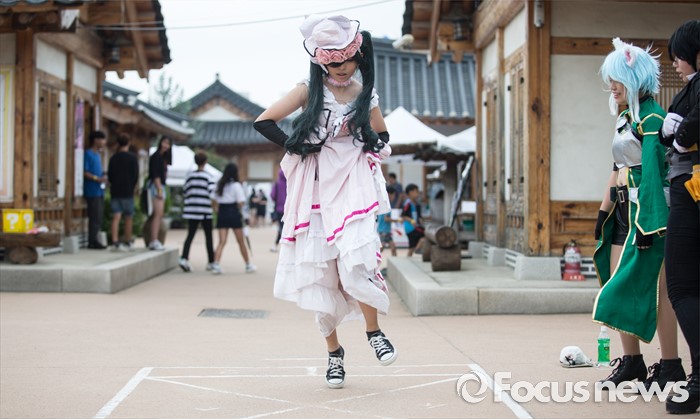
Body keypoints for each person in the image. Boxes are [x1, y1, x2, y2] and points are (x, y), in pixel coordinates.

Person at [253, 14, 397, 389]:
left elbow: (382, 134)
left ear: (357, 56)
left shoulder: (365, 94)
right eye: (334, 62)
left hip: (352, 183)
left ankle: (374, 332)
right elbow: (264, 121)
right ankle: (334, 353)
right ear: (321, 62)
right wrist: (298, 145)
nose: (342, 67)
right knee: (321, 273)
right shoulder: (308, 90)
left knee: (357, 260)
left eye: (348, 60)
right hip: (315, 186)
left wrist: (368, 141)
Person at [592, 38, 684, 391]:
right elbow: (617, 168)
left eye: (617, 79)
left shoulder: (652, 117)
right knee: (617, 283)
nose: (611, 86)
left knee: (659, 291)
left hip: (648, 213)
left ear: (635, 79)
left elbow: (654, 177)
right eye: (610, 80)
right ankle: (632, 362)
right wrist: (603, 212)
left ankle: (672, 365)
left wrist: (650, 223)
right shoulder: (626, 117)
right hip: (622, 211)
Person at [658, 20, 700, 415]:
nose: (675, 61)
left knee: (683, 285)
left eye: (680, 54)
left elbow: (685, 134)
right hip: (686, 184)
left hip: (692, 185)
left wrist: (679, 131)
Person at [211, 163, 256, 275]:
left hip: (222, 213)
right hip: (233, 213)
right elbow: (241, 202)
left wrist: (216, 209)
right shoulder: (236, 185)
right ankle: (248, 264)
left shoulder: (220, 184)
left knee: (222, 241)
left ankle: (216, 264)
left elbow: (213, 199)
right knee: (240, 241)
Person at [179, 151, 216, 273]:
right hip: (205, 211)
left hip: (192, 210)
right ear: (205, 162)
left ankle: (184, 258)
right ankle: (211, 261)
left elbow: (185, 192)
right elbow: (212, 194)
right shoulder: (208, 177)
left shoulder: (189, 176)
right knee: (208, 237)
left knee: (190, 235)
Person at [107, 133, 139, 251]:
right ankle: (128, 240)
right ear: (129, 143)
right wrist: (133, 186)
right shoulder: (133, 158)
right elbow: (135, 175)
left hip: (115, 190)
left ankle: (115, 241)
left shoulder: (113, 158)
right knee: (128, 217)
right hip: (128, 190)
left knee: (116, 216)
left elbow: (110, 176)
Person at [146, 136, 171, 251]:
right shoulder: (156, 157)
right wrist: (159, 189)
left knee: (158, 214)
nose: (166, 146)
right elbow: (155, 174)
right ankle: (154, 240)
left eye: (168, 144)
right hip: (157, 186)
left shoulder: (163, 158)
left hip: (161, 185)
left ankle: (154, 239)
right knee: (157, 214)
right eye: (164, 143)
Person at [84, 130, 107, 249]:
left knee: (99, 216)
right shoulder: (88, 154)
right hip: (92, 190)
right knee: (94, 216)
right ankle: (92, 241)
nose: (103, 142)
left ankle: (95, 239)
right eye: (102, 139)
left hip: (99, 190)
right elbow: (85, 172)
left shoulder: (98, 155)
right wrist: (96, 178)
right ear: (95, 140)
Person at [402, 184, 425, 257]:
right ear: (411, 192)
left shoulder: (416, 204)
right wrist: (411, 220)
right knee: (425, 235)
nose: (418, 193)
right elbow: (403, 216)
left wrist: (420, 219)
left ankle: (409, 257)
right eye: (416, 191)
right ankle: (417, 249)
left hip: (415, 227)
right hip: (411, 228)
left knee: (411, 247)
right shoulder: (408, 203)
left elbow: (418, 216)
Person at [270, 170, 287, 253]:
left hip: (279, 210)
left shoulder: (276, 184)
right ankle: (279, 245)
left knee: (281, 228)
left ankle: (280, 245)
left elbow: (272, 196)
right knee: (286, 228)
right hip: (289, 210)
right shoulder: (290, 183)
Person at [378, 185, 397, 257]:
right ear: (389, 194)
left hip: (385, 230)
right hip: (384, 230)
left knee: (393, 247)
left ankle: (395, 260)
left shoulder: (383, 203)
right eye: (393, 195)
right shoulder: (386, 205)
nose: (394, 197)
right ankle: (374, 259)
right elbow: (386, 218)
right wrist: (397, 220)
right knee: (382, 247)